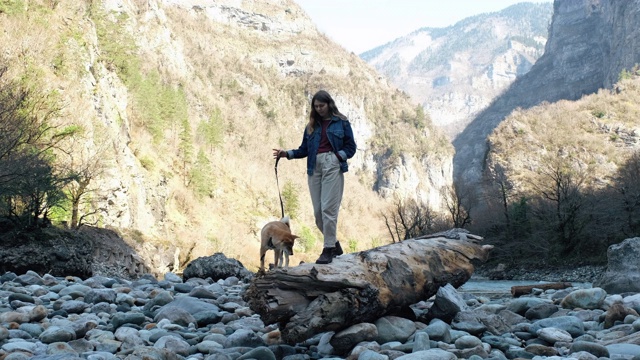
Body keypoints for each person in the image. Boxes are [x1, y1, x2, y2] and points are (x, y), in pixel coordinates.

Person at [273, 90, 357, 264]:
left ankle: (327, 250)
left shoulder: (341, 123)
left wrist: (337, 156)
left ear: (329, 104)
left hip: (332, 164)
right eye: (316, 106)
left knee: (328, 210)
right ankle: (335, 245)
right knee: (318, 214)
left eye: (322, 105)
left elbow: (351, 147)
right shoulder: (311, 126)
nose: (319, 109)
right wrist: (286, 154)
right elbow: (304, 149)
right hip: (314, 168)